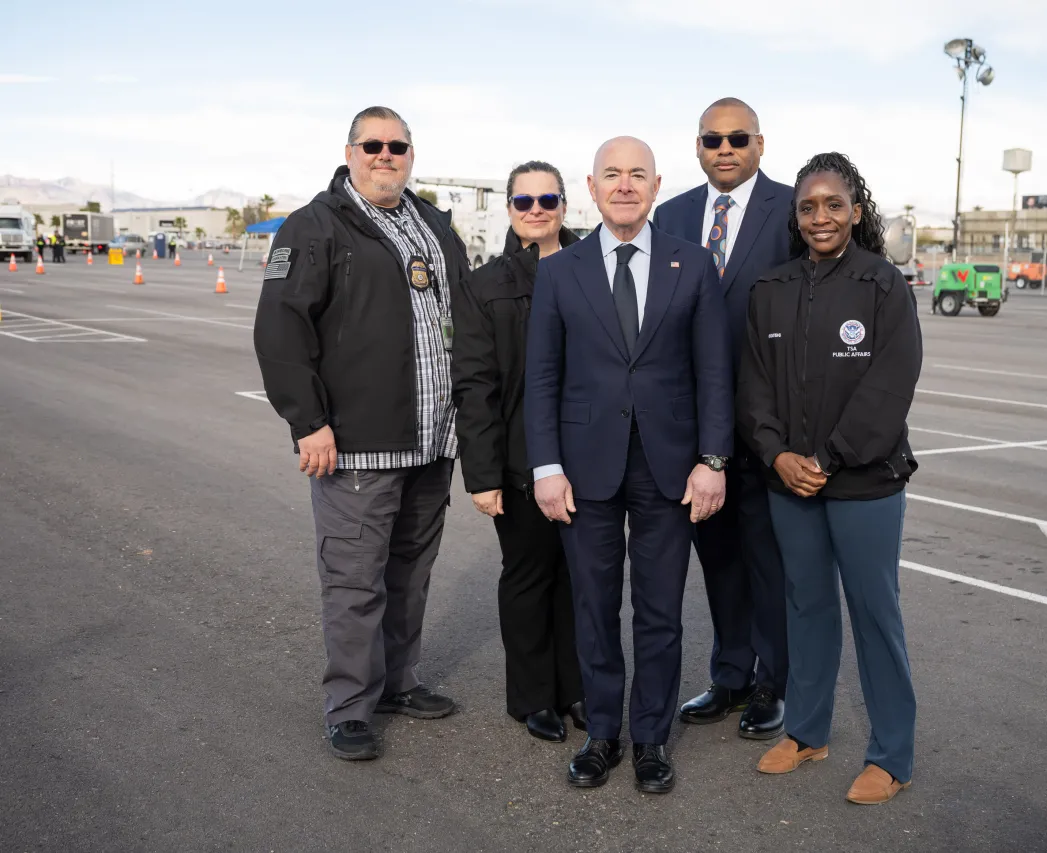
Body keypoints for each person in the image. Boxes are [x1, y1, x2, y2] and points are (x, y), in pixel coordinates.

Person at [254, 106, 468, 761]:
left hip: (432, 442)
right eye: (372, 145)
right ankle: (349, 706)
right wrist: (307, 421)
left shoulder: (431, 222)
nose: (386, 155)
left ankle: (398, 682)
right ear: (349, 151)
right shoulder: (313, 226)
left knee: (411, 572)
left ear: (411, 152)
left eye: (397, 146)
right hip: (356, 444)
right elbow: (280, 328)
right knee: (354, 579)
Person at [525, 136, 734, 794]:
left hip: (669, 468)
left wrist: (713, 459)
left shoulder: (692, 264)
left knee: (660, 610)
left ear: (655, 185)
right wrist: (546, 466)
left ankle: (650, 737)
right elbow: (543, 377)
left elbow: (714, 372)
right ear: (591, 186)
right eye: (611, 174)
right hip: (583, 468)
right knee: (593, 606)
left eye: (637, 174)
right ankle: (604, 733)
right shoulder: (561, 270)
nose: (624, 185)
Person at [738, 152, 922, 805]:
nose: (821, 216)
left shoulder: (882, 285)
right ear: (797, 215)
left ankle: (892, 754)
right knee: (806, 606)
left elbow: (891, 383)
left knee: (875, 614)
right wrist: (778, 455)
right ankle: (806, 731)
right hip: (789, 480)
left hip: (864, 482)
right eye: (809, 206)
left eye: (834, 204)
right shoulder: (771, 289)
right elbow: (752, 386)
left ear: (856, 210)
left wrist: (831, 456)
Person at [653, 97, 792, 740]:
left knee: (767, 559)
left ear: (759, 144)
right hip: (695, 428)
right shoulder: (673, 214)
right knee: (719, 558)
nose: (725, 148)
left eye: (738, 138)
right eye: (713, 139)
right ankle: (730, 675)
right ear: (699, 147)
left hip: (768, 423)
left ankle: (772, 682)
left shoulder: (794, 209)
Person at [451, 160, 586, 743]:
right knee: (530, 575)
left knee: (582, 580)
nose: (537, 210)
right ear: (509, 208)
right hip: (520, 460)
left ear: (563, 205)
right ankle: (534, 698)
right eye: (524, 201)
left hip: (592, 457)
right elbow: (475, 386)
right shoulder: (486, 286)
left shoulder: (596, 271)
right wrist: (483, 476)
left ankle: (577, 688)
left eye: (548, 199)